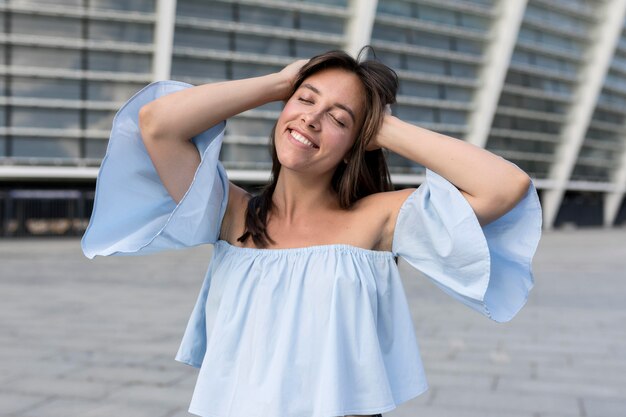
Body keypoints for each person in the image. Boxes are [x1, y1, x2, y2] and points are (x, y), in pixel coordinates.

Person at [81, 49, 542, 417]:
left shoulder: (376, 221)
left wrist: (382, 127)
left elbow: (506, 187)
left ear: (355, 145)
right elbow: (156, 125)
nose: (312, 118)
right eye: (306, 100)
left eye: (340, 119)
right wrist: (280, 84)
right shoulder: (231, 214)